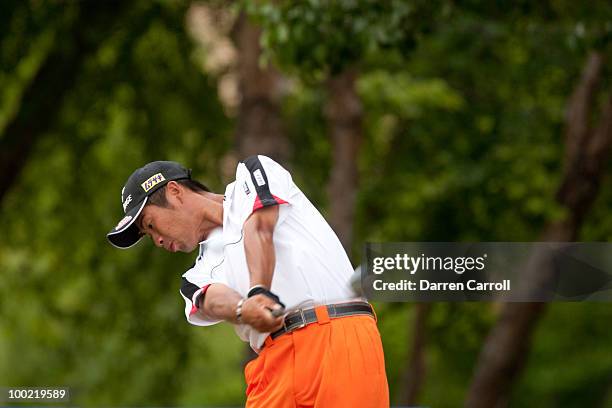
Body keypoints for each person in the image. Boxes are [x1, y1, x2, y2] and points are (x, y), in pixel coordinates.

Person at [106, 155, 389, 407]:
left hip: (340, 339)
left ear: (175, 192)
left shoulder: (253, 174)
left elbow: (260, 227)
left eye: (151, 224)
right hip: (274, 364)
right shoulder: (195, 275)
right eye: (148, 235)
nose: (157, 239)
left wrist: (258, 291)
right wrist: (243, 308)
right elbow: (213, 299)